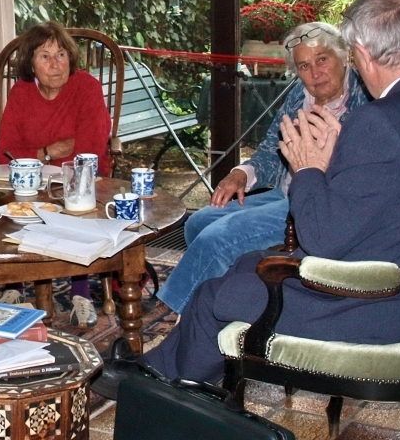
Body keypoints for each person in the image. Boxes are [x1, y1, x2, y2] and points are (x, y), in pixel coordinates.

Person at [94, 0, 400, 398]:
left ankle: (153, 386)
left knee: (216, 295)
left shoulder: (375, 122)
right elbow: (373, 203)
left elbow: (323, 239)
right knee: (245, 261)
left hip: (366, 303)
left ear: (360, 54)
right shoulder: (388, 116)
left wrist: (311, 168)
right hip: (383, 279)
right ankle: (173, 369)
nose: (314, 72)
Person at [157, 21, 370, 315]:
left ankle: (174, 314)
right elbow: (271, 149)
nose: (315, 73)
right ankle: (225, 299)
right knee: (199, 223)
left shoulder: (365, 100)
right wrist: (241, 174)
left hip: (314, 205)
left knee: (215, 240)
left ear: (343, 56)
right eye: (304, 66)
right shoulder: (300, 95)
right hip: (284, 195)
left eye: (322, 60)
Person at [0, 21, 113, 327]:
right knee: (13, 200)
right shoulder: (21, 93)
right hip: (31, 182)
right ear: (30, 63)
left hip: (81, 180)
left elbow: (89, 152)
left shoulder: (87, 87)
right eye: (44, 56)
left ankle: (81, 291)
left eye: (61, 54)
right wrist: (48, 152)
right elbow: (5, 152)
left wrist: (34, 157)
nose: (55, 64)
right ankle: (14, 286)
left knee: (78, 200)